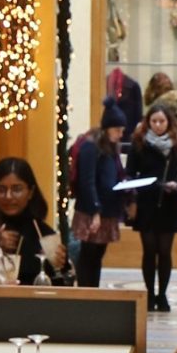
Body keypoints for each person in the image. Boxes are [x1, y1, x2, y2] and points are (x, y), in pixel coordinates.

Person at [126, 103, 177, 314]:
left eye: (161, 121)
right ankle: (149, 294)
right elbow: (129, 173)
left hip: (169, 202)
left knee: (165, 251)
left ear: (169, 122)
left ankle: (162, 294)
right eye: (153, 121)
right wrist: (142, 185)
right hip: (146, 202)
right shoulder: (138, 142)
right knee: (148, 250)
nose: (157, 125)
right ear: (148, 122)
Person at [69, 101, 129, 290]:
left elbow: (112, 175)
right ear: (108, 128)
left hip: (107, 210)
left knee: (97, 255)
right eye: (118, 130)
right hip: (92, 211)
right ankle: (87, 291)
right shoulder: (91, 147)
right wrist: (95, 210)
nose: (121, 134)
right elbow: (87, 181)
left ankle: (93, 290)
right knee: (88, 256)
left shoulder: (111, 148)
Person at [0, 156, 68, 286]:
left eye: (16, 189)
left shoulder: (45, 235)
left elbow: (60, 286)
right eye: (1, 190)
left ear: (30, 192)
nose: (8, 196)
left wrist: (60, 265)